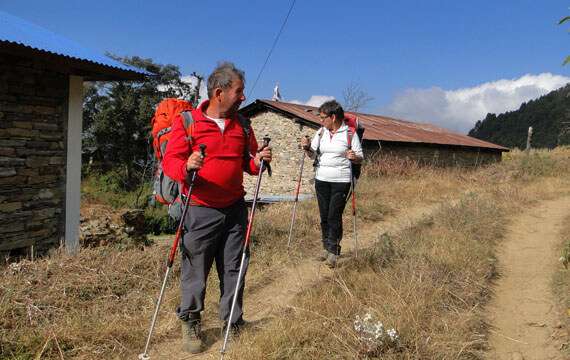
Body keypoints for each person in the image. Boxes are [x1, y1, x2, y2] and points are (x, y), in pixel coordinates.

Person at [162, 62, 272, 354]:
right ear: (219, 93)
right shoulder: (188, 122)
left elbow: (247, 163)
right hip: (199, 209)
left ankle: (233, 322)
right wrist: (186, 165)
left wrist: (258, 161)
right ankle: (190, 321)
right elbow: (170, 162)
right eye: (239, 91)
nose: (243, 97)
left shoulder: (243, 125)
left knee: (235, 268)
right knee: (195, 270)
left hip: (235, 209)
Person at [301, 100, 363, 268]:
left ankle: (333, 251)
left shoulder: (349, 134)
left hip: (341, 181)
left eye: (323, 117)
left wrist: (354, 157)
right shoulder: (321, 133)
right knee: (324, 216)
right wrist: (307, 148)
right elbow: (313, 156)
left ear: (333, 117)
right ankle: (326, 248)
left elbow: (360, 157)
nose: (321, 121)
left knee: (333, 215)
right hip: (321, 179)